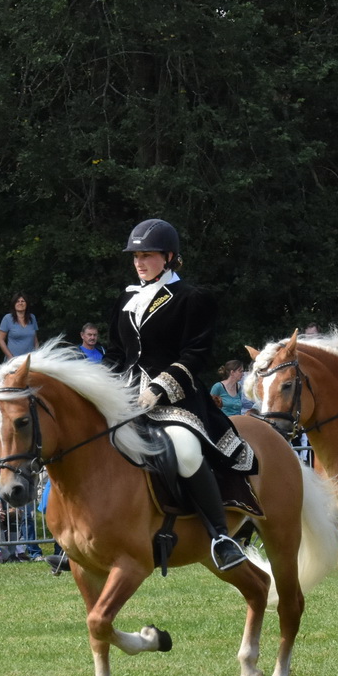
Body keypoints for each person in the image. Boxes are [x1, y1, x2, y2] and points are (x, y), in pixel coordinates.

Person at [106, 218, 253, 569]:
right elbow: (116, 352)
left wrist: (159, 387)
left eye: (148, 255)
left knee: (185, 451)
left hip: (176, 399)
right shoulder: (127, 298)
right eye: (136, 256)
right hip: (127, 397)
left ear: (169, 257)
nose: (139, 262)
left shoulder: (192, 297)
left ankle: (221, 537)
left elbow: (195, 354)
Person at [0, 292, 39, 359]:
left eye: (23, 301)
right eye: (17, 301)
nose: (20, 303)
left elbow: (35, 340)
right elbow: (0, 340)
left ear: (26, 304)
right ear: (14, 304)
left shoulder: (32, 318)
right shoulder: (7, 318)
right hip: (14, 360)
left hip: (30, 360)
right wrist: (10, 357)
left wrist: (37, 355)